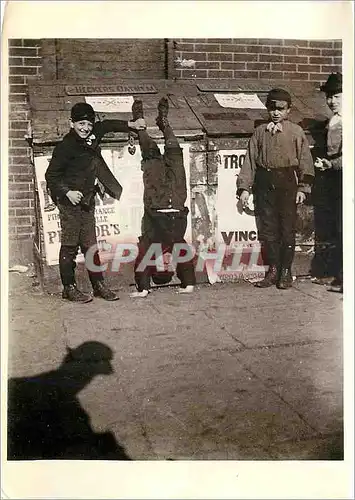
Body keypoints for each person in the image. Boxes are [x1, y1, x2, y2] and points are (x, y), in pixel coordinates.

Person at [45, 102, 145, 303]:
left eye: (89, 124)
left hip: (87, 202)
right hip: (69, 205)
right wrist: (68, 192)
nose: (85, 128)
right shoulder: (65, 147)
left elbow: (106, 125)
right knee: (70, 246)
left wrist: (131, 124)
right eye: (81, 123)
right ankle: (68, 287)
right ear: (71, 123)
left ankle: (98, 285)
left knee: (91, 246)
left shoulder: (92, 135)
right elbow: (51, 176)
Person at [237, 88, 315, 289]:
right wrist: (244, 188)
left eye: (281, 109)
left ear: (289, 110)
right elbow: (250, 162)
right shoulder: (260, 132)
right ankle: (272, 270)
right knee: (269, 229)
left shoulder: (295, 132)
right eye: (272, 108)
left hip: (286, 183)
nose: (276, 112)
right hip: (264, 183)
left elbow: (305, 162)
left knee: (286, 229)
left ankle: (286, 271)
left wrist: (302, 188)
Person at [130, 97, 196, 298]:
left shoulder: (150, 244)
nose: (166, 261)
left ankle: (139, 123)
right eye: (169, 266)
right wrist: (188, 285)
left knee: (151, 155)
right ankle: (164, 123)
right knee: (174, 152)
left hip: (156, 199)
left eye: (161, 265)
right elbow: (185, 260)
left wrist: (143, 289)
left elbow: (142, 263)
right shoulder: (176, 244)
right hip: (177, 197)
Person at [312, 72, 343, 293]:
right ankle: (338, 275)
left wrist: (331, 164)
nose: (331, 101)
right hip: (335, 180)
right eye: (329, 96)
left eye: (337, 96)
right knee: (336, 227)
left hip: (344, 177)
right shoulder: (333, 121)